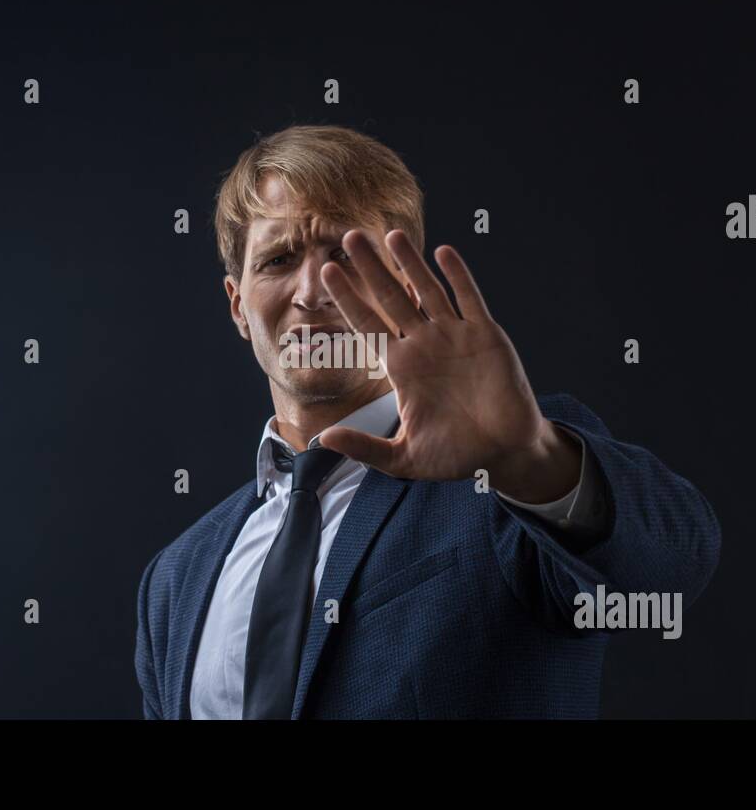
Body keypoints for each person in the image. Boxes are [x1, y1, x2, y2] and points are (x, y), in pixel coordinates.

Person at [135, 124, 721, 719]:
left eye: (344, 255)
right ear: (238, 304)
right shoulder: (175, 580)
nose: (312, 290)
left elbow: (665, 580)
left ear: (406, 286)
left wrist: (531, 460)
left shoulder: (507, 474)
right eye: (279, 260)